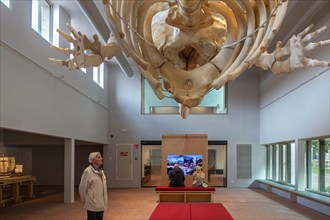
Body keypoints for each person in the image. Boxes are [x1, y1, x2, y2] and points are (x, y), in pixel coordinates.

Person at [79, 152, 108, 220]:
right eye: (99, 157)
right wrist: (86, 202)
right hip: (92, 204)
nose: (101, 158)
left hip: (101, 203)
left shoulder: (101, 171)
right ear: (93, 160)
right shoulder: (87, 171)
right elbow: (82, 189)